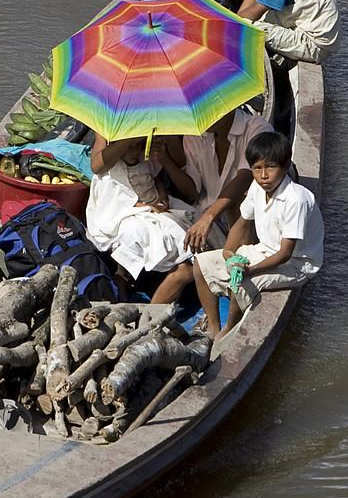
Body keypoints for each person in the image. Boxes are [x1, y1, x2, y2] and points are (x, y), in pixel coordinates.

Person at [157, 130, 322, 336]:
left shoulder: (296, 200)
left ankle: (228, 329)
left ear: (286, 166)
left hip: (295, 264)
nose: (263, 176)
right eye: (257, 168)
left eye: (270, 168)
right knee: (201, 263)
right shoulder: (257, 187)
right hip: (265, 250)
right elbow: (243, 222)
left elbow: (285, 253)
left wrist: (249, 270)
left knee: (240, 283)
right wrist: (228, 252)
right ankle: (214, 326)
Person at [85, 133, 199, 283]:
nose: (134, 151)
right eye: (130, 147)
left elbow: (156, 177)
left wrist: (162, 195)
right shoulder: (113, 170)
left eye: (137, 146)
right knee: (139, 231)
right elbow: (115, 200)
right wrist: (147, 207)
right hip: (126, 210)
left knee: (180, 222)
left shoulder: (144, 161)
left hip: (152, 201)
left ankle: (179, 262)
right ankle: (125, 274)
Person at [170, 103, 270, 249]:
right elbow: (192, 191)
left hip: (246, 221)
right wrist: (164, 159)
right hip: (203, 219)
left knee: (237, 203)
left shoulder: (256, 127)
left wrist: (209, 216)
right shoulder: (193, 136)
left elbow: (246, 176)